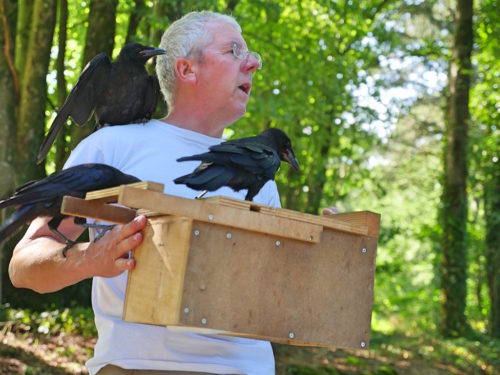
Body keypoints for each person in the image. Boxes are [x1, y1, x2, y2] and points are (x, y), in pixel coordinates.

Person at [9, 10, 278, 375]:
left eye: (253, 57)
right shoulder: (111, 146)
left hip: (248, 368)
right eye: (234, 51)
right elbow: (23, 265)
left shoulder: (260, 171)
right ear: (186, 69)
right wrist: (90, 258)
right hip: (137, 366)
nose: (252, 65)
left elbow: (271, 293)